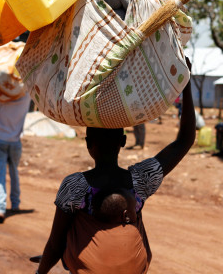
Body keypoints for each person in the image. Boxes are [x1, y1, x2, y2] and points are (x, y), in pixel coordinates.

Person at [37, 75, 196, 274]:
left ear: (88, 144)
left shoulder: (75, 185)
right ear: (122, 141)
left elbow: (55, 245)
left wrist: (40, 272)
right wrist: (186, 85)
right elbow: (185, 140)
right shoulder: (141, 180)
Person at [0, 92, 31, 224]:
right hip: (15, 142)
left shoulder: (2, 96)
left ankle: (1, 209)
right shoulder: (26, 96)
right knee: (14, 172)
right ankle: (15, 204)